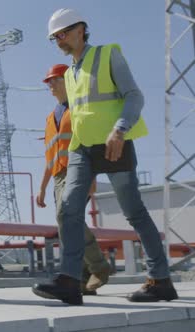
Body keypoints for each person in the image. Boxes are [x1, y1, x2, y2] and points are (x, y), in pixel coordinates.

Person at [32, 8, 178, 305]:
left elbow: (134, 96)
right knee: (67, 210)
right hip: (82, 149)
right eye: (54, 37)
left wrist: (120, 129)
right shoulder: (70, 73)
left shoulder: (108, 55)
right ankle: (70, 280)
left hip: (115, 146)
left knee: (134, 211)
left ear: (80, 29)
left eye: (62, 33)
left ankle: (160, 280)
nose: (59, 40)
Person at [36, 64, 110, 295]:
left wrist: (92, 177)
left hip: (78, 171)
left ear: (69, 81)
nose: (50, 85)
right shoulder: (51, 118)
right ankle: (83, 279)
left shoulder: (80, 109)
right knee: (68, 223)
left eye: (55, 80)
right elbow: (50, 156)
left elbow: (91, 144)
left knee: (66, 218)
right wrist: (42, 188)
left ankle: (98, 267)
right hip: (58, 175)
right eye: (48, 82)